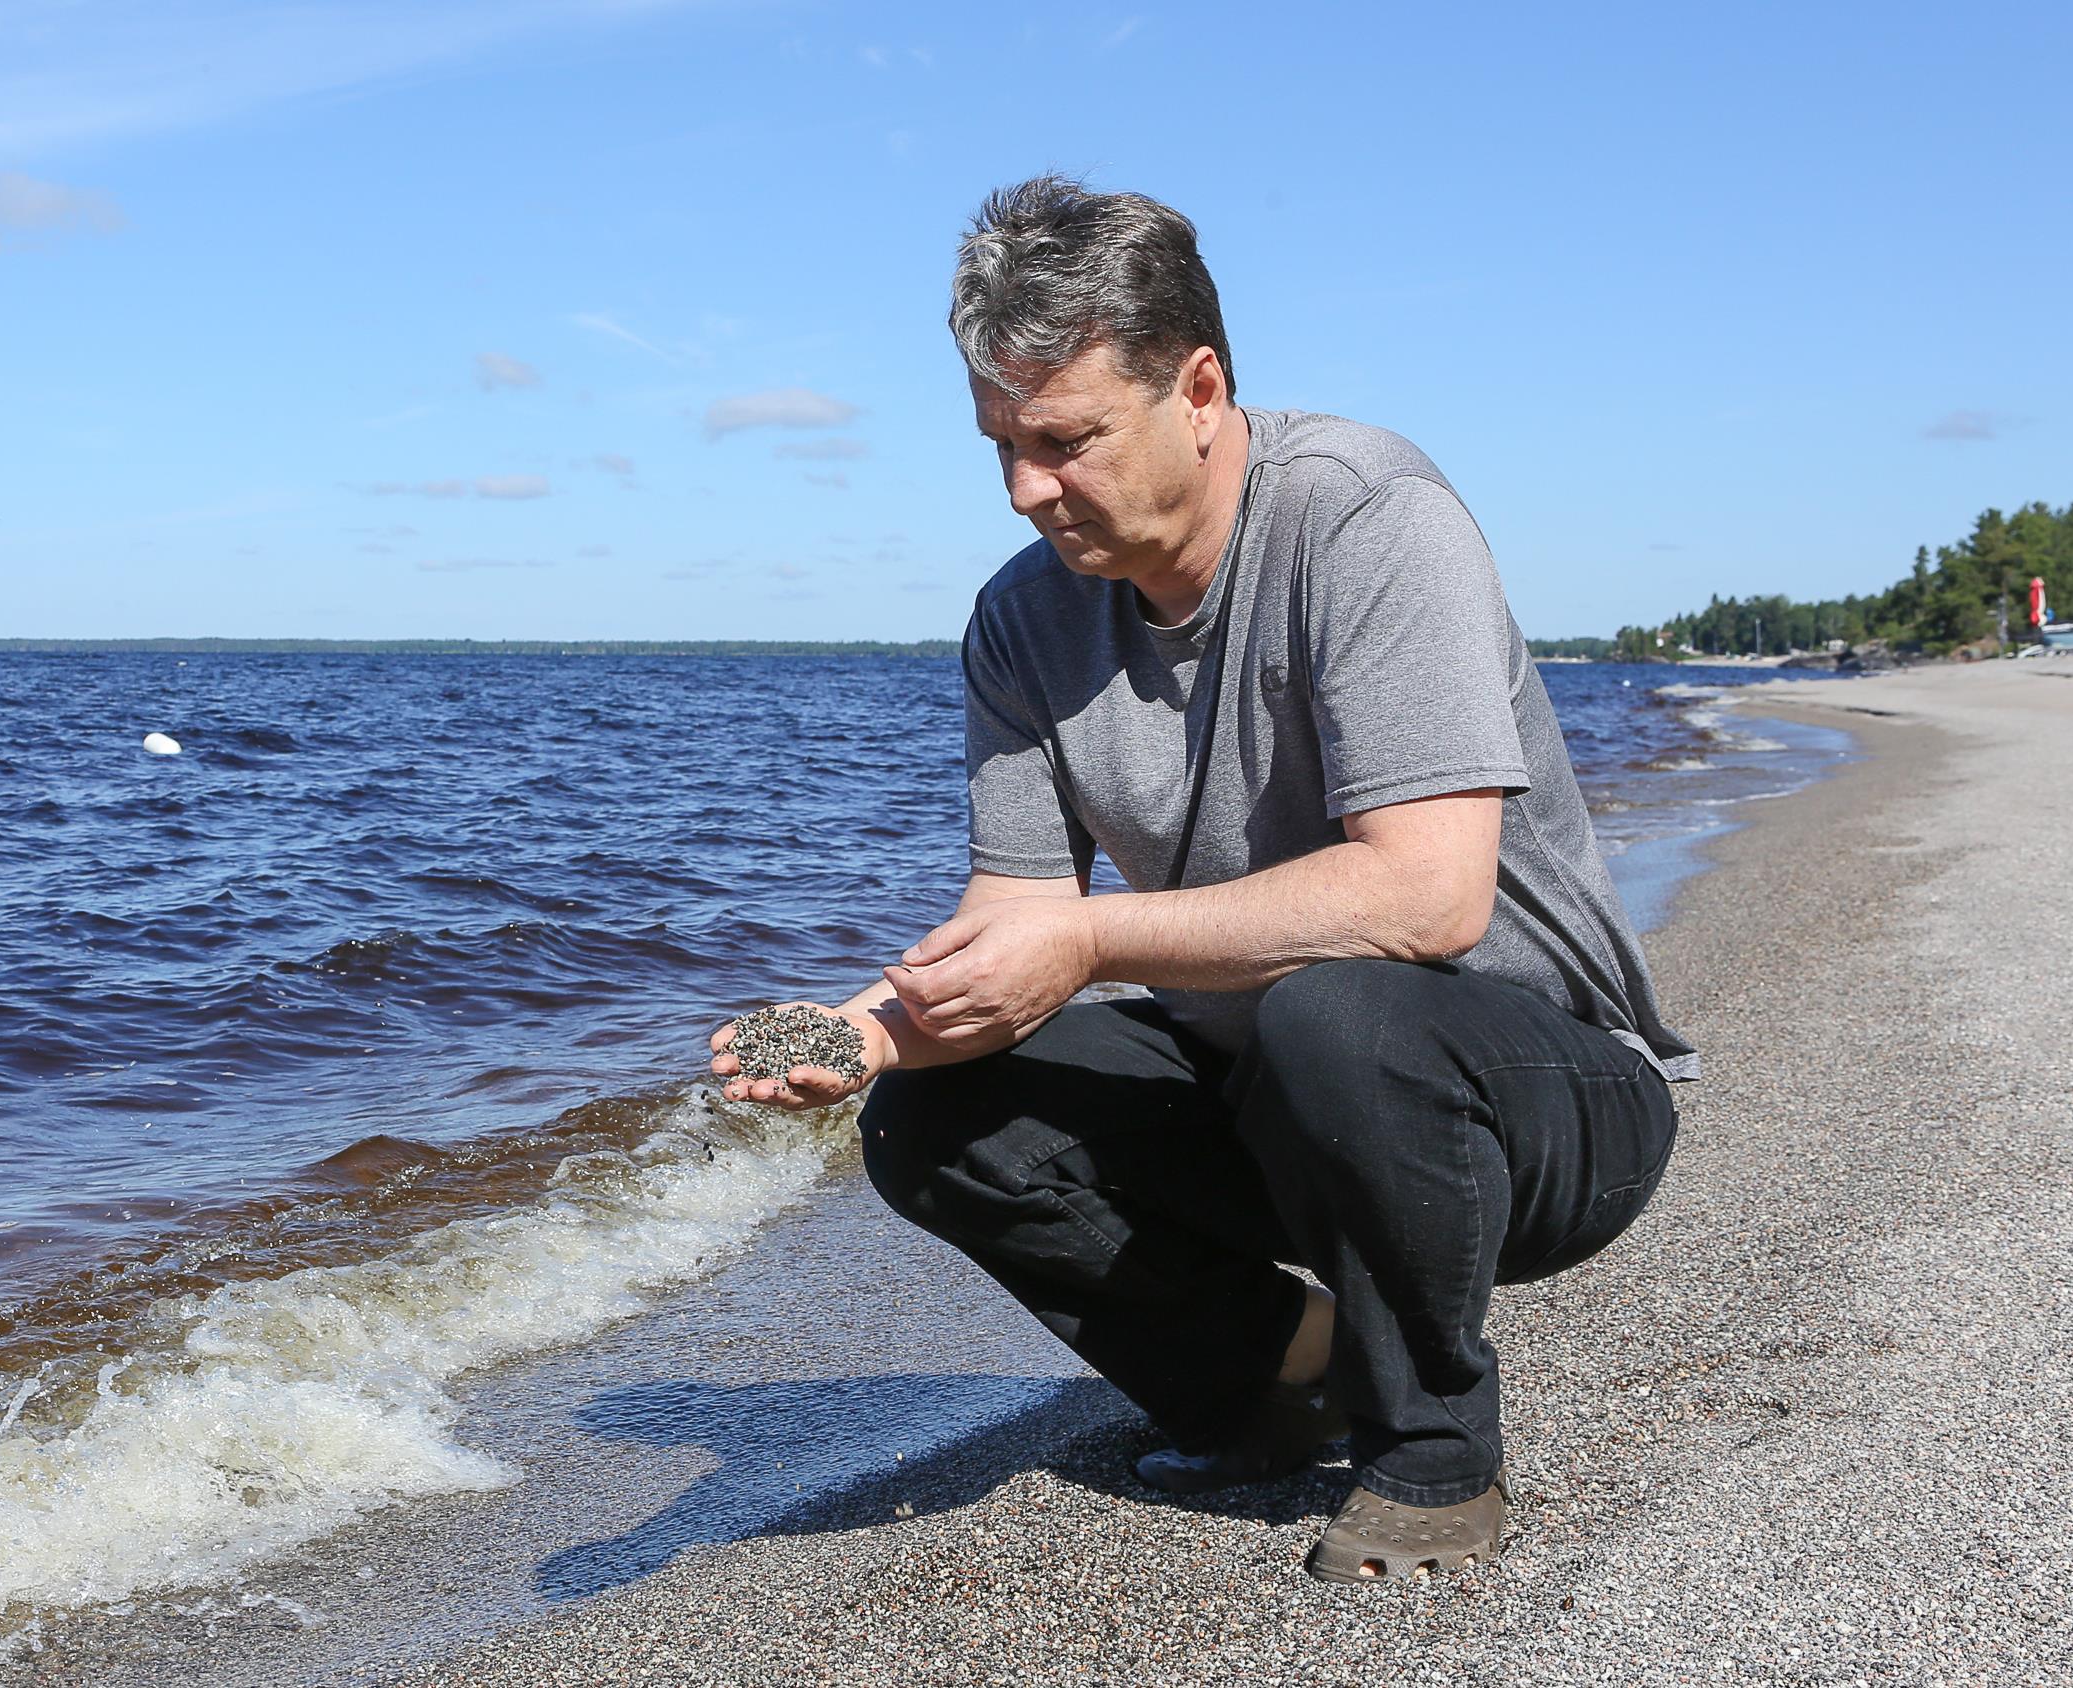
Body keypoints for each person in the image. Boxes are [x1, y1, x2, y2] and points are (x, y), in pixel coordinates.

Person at [707, 175, 1693, 1582]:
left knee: (1334, 1011)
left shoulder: (1366, 517)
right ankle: (1277, 1386)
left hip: (1542, 1105)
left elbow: (1429, 900)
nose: (1027, 488)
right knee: (938, 1114)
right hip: (1277, 1097)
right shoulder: (1022, 618)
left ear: (1200, 387)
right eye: (1001, 444)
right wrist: (862, 1034)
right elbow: (1016, 926)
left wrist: (1096, 941)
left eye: (1066, 440)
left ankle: (1433, 1450)